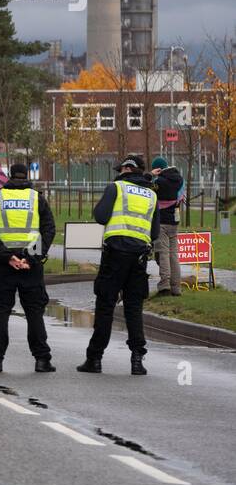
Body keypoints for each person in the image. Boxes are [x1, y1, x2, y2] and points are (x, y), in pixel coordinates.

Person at [78, 155, 159, 376]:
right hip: (139, 257)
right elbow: (154, 233)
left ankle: (94, 359)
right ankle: (137, 360)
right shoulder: (152, 195)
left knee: (105, 306)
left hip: (115, 255)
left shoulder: (116, 188)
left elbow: (101, 217)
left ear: (127, 168)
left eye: (121, 168)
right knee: (134, 308)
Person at [0, 162, 57, 373]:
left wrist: (7, 257)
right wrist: (31, 258)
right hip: (30, 265)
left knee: (1, 314)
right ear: (27, 176)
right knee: (34, 313)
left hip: (4, 265)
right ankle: (42, 360)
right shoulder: (37, 199)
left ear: (10, 176)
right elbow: (48, 230)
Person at [150, 156, 184, 297]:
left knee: (163, 254)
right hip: (174, 222)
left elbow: (147, 188)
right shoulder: (180, 180)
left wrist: (151, 176)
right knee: (174, 255)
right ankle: (176, 288)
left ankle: (164, 286)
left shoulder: (159, 182)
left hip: (162, 222)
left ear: (158, 169)